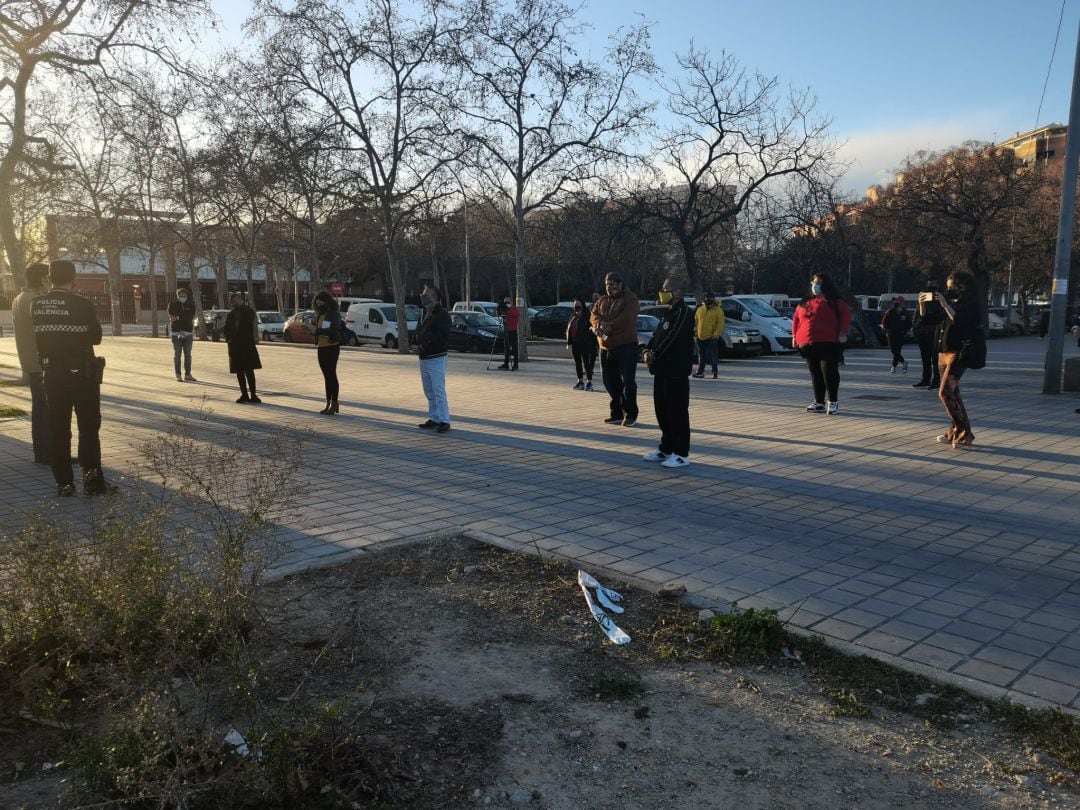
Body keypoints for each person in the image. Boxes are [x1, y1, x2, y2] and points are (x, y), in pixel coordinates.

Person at [31, 259, 115, 497]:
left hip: (52, 375)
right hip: (81, 375)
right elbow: (96, 337)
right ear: (73, 278)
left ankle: (64, 484)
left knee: (59, 430)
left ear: (49, 277)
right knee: (88, 429)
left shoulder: (37, 305)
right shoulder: (81, 303)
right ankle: (92, 482)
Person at [642, 275, 694, 469]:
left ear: (678, 292)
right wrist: (647, 349)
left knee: (677, 412)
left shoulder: (684, 313)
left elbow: (671, 339)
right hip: (661, 370)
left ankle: (681, 453)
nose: (662, 292)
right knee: (662, 411)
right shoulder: (668, 312)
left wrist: (654, 353)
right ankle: (666, 447)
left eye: (666, 289)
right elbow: (657, 336)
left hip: (676, 371)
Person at [923, 270, 980, 449]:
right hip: (943, 353)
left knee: (945, 392)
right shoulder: (950, 302)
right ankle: (958, 431)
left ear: (962, 287)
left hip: (959, 352)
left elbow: (961, 321)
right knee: (953, 395)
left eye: (952, 287)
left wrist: (945, 303)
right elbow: (928, 319)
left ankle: (962, 432)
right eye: (947, 288)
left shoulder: (970, 304)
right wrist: (922, 304)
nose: (949, 291)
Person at [792, 273, 851, 415]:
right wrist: (794, 335)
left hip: (829, 343)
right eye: (813, 282)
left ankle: (833, 401)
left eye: (818, 282)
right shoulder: (805, 301)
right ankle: (819, 402)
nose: (815, 285)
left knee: (829, 372)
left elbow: (845, 315)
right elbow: (796, 318)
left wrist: (843, 332)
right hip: (807, 343)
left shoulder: (835, 302)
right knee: (815, 373)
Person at [12, 262, 53, 464]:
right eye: (48, 278)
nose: (50, 282)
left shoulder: (20, 297)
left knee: (40, 410)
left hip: (31, 363)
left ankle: (42, 452)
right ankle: (47, 453)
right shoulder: (34, 301)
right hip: (40, 363)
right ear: (42, 279)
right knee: (45, 410)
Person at [590, 271, 640, 426]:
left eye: (611, 284)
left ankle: (630, 413)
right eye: (606, 285)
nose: (608, 288)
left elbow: (627, 319)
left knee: (628, 382)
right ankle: (616, 413)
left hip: (626, 345)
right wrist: (598, 325)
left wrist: (609, 327)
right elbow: (593, 315)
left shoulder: (630, 299)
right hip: (605, 347)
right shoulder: (602, 300)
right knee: (609, 381)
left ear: (620, 284)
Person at [415, 284, 452, 432]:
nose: (422, 296)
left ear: (435, 297)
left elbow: (441, 336)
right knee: (429, 390)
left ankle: (444, 420)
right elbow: (420, 331)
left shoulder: (442, 315)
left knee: (438, 389)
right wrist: (416, 344)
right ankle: (434, 417)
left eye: (426, 294)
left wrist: (426, 345)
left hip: (436, 357)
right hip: (424, 357)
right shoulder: (425, 313)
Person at [223, 291, 262, 404]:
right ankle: (244, 394)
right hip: (235, 347)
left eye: (237, 300)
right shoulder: (230, 314)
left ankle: (253, 395)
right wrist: (228, 339)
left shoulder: (248, 311)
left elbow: (249, 322)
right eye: (233, 300)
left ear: (241, 300)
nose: (235, 302)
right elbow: (226, 329)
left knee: (249, 371)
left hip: (246, 345)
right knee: (239, 372)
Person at [312, 290, 343, 414]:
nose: (319, 306)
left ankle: (334, 403)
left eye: (321, 303)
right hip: (321, 347)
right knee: (326, 376)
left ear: (327, 302)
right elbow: (321, 329)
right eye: (317, 304)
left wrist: (320, 331)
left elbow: (334, 328)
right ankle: (328, 403)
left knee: (331, 375)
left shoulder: (333, 314)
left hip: (332, 347)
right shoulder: (320, 314)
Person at [912, 282, 943, 389]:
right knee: (925, 358)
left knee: (935, 359)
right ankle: (926, 379)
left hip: (934, 333)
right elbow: (919, 316)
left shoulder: (939, 302)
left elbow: (932, 317)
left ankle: (936, 380)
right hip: (922, 334)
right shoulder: (922, 302)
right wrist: (921, 303)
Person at [566, 299, 597, 391]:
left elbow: (593, 329)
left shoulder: (587, 317)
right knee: (578, 363)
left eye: (578, 305)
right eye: (575, 305)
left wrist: (593, 344)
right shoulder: (573, 317)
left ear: (582, 306)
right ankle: (580, 382)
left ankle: (589, 383)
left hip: (585, 343)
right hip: (575, 343)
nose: (576, 307)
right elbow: (569, 329)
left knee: (586, 363)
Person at [168, 286, 198, 382]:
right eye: (181, 295)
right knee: (177, 355)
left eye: (184, 296)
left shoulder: (191, 305)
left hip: (188, 333)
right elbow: (172, 318)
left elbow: (189, 317)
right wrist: (179, 324)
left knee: (188, 355)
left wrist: (178, 317)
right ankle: (178, 374)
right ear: (178, 296)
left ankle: (188, 374)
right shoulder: (172, 305)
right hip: (176, 333)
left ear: (187, 296)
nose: (183, 297)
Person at [692, 292, 724, 379]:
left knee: (712, 355)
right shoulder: (700, 309)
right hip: (700, 336)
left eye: (709, 299)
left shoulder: (718, 310)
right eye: (706, 299)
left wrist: (716, 334)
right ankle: (700, 372)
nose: (707, 301)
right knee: (701, 356)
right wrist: (695, 333)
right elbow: (696, 322)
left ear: (713, 300)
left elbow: (720, 324)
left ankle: (715, 372)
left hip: (712, 337)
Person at [881, 297, 911, 373]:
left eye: (900, 303)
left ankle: (893, 367)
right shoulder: (890, 311)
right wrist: (887, 329)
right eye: (897, 303)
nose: (899, 305)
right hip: (890, 334)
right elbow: (884, 322)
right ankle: (904, 362)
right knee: (893, 350)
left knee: (897, 351)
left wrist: (905, 330)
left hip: (900, 334)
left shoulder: (905, 312)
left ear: (902, 303)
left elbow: (909, 323)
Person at [496, 296, 520, 370]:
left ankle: (515, 364)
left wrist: (509, 309)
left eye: (508, 302)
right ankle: (506, 364)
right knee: (506, 347)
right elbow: (498, 314)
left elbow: (516, 315)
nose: (506, 303)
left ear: (511, 302)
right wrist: (499, 308)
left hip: (513, 330)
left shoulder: (514, 308)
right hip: (506, 329)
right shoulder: (504, 309)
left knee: (514, 347)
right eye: (505, 302)